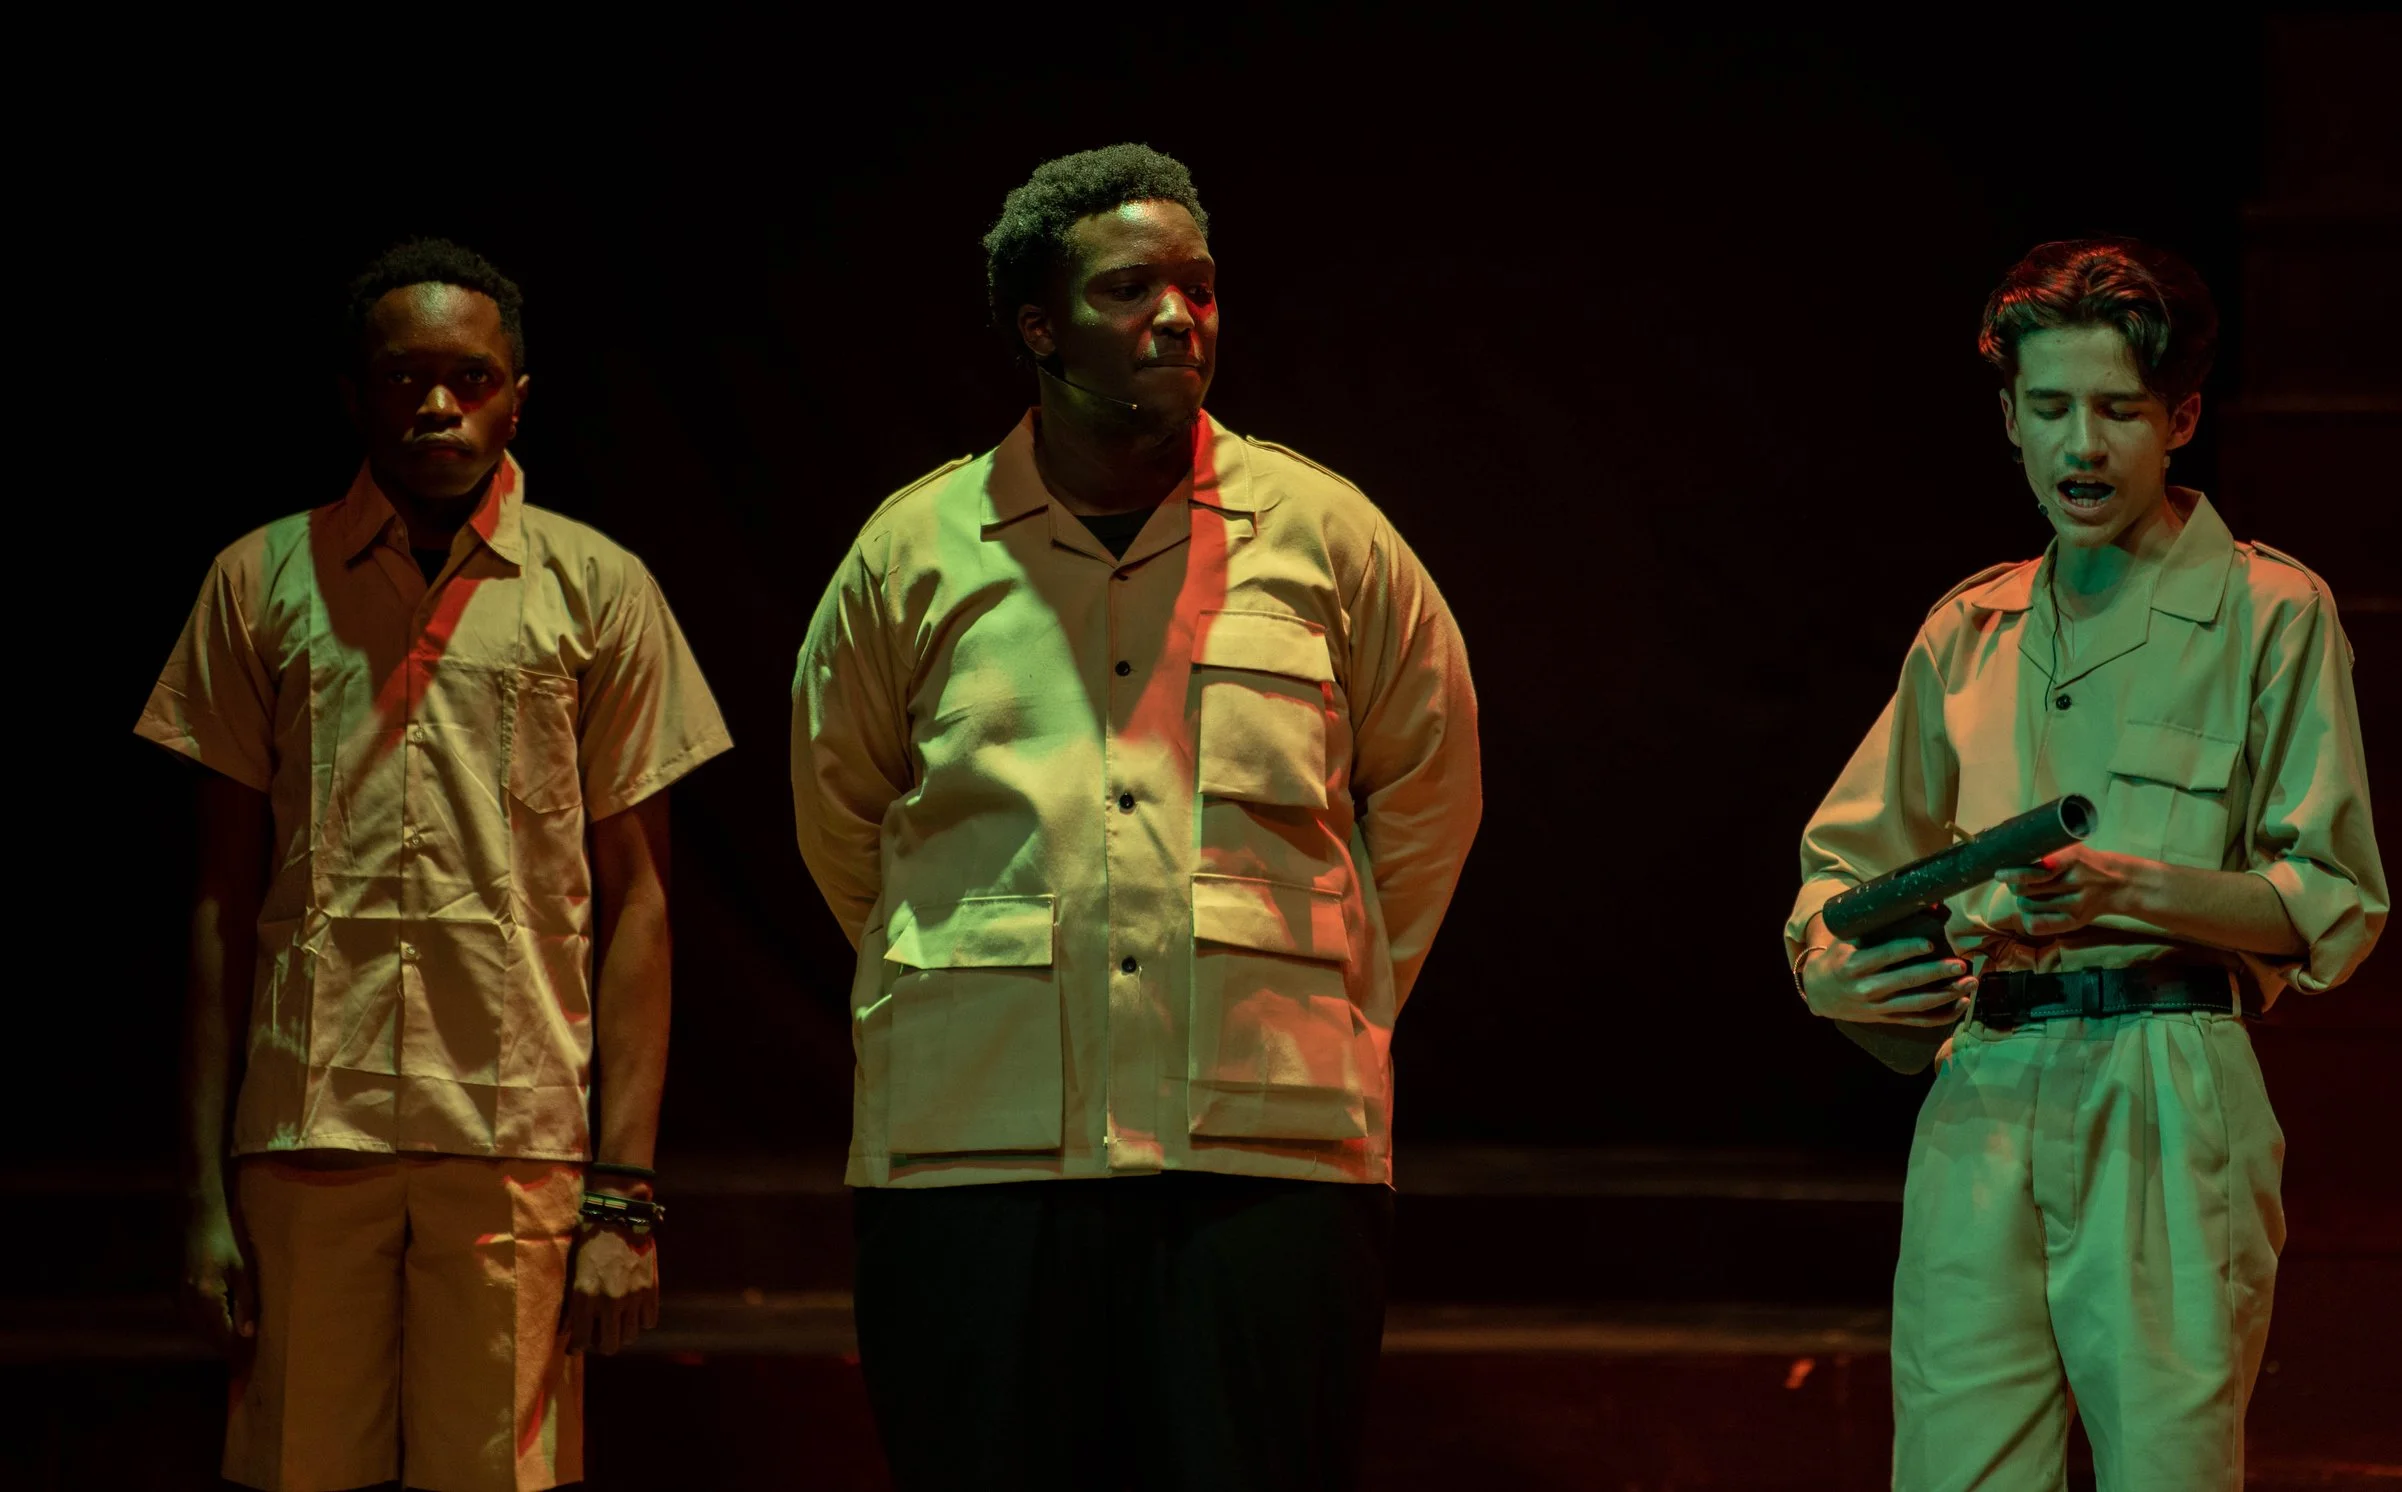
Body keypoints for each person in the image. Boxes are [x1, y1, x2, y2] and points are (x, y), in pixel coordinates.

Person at [791, 143, 1481, 1489]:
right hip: (975, 1153)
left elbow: (1430, 791)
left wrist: (1322, 990)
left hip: (1268, 1152)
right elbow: (841, 813)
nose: (1177, 316)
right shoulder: (913, 550)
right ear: (1038, 328)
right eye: (1127, 290)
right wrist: (978, 971)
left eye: (1198, 287)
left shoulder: (1327, 536)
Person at [1783, 238, 2389, 1489]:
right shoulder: (1968, 628)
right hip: (1984, 1084)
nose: (2082, 445)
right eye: (2050, 407)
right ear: (2009, 418)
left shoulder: (2270, 611)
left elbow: (2328, 898)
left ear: (2181, 420)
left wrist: (2130, 887)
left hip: (2166, 1077)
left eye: (2117, 409)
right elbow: (1840, 874)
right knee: (1954, 1469)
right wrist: (1828, 968)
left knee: (2166, 1466)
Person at [141, 238, 731, 1492]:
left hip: (515, 1139)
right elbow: (217, 898)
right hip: (308, 1133)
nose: (436, 405)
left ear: (519, 396)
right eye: (403, 377)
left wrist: (623, 1196)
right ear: (352, 395)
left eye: (471, 377)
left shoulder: (598, 588)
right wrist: (200, 1193)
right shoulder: (260, 581)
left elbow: (640, 903)